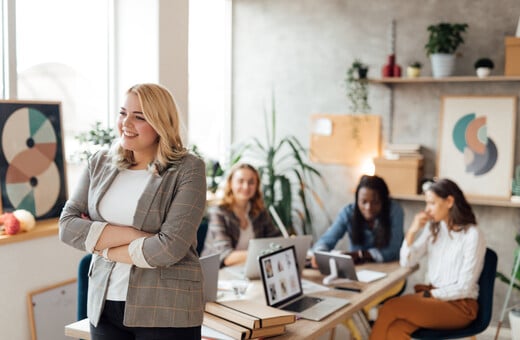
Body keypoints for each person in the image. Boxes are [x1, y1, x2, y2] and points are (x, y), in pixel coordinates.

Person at [59, 83, 206, 340]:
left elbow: (168, 249)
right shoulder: (100, 162)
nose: (126, 123)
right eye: (123, 112)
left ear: (161, 123)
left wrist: (100, 246)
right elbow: (67, 226)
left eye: (139, 117)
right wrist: (134, 234)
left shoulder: (188, 169)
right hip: (104, 306)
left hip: (166, 309)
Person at [370, 178, 486, 339]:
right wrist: (412, 231)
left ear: (449, 201)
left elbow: (464, 288)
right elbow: (407, 262)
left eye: (432, 203)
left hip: (460, 306)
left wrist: (431, 295)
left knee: (390, 307)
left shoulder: (472, 234)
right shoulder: (434, 228)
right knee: (395, 329)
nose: (427, 209)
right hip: (433, 300)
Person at [312, 175, 404, 265]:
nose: (368, 207)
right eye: (364, 202)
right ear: (357, 200)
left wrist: (360, 255)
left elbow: (394, 250)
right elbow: (327, 239)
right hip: (358, 271)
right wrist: (319, 254)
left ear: (384, 201)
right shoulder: (348, 212)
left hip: (390, 269)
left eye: (375, 202)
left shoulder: (394, 211)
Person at [201, 163, 281, 266]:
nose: (246, 186)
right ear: (230, 183)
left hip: (246, 270)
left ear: (257, 186)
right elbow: (226, 256)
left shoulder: (259, 211)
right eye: (240, 181)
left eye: (251, 182)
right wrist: (265, 253)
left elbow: (276, 240)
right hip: (217, 272)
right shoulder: (219, 212)